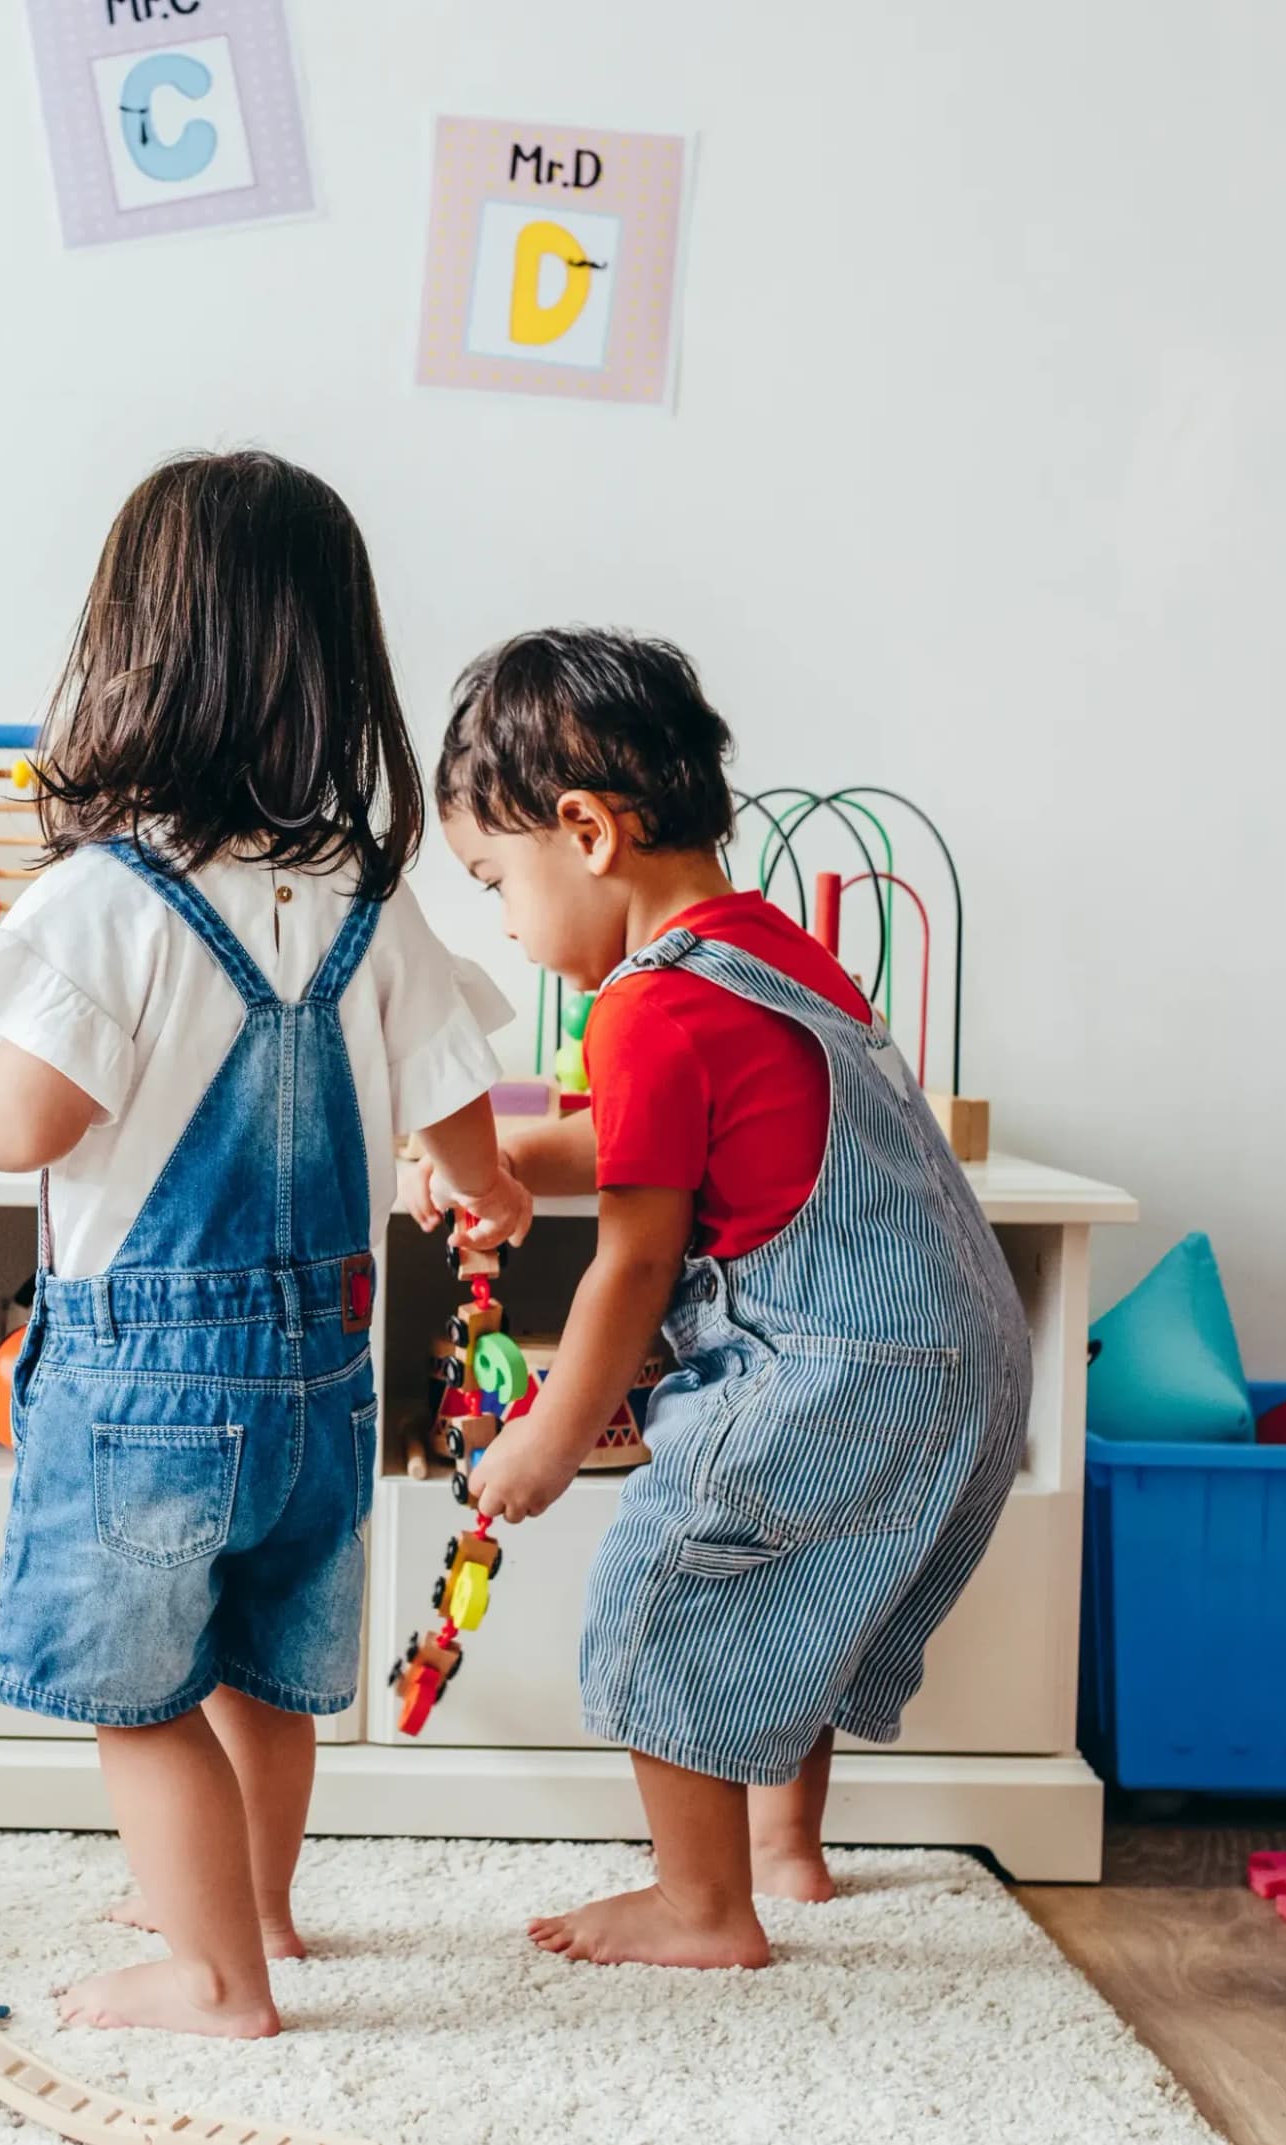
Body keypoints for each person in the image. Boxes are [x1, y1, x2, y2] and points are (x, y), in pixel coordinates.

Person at [0, 449, 529, 2037]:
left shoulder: (108, 899)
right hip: (325, 1370)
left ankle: (214, 1976)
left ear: (138, 657)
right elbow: (462, 1119)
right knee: (262, 1667)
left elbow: (28, 1121)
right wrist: (482, 1193)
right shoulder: (369, 894)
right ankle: (262, 1911)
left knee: (142, 1694)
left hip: (149, 1380)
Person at [423, 627, 1030, 1968]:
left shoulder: (642, 1010)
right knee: (791, 1591)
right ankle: (784, 1850)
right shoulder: (774, 954)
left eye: (496, 883)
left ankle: (701, 1907)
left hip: (839, 1362)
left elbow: (635, 1260)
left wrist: (550, 1435)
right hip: (964, 1353)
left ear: (586, 832)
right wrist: (509, 1161)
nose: (507, 927)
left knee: (671, 1585)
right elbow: (662, 1138)